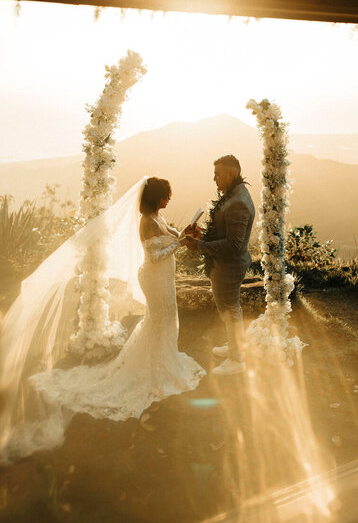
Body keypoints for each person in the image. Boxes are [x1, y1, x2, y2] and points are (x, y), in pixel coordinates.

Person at [0, 177, 205, 462]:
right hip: (155, 278)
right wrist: (181, 242)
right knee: (159, 321)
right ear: (156, 198)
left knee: (168, 320)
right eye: (165, 196)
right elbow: (155, 256)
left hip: (165, 279)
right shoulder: (146, 222)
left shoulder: (158, 217)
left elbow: (172, 237)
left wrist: (185, 233)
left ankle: (165, 359)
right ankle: (155, 367)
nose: (168, 200)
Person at [185, 155, 255, 376]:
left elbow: (233, 244)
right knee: (229, 309)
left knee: (230, 310)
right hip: (225, 265)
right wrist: (202, 234)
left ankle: (237, 359)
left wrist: (200, 246)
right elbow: (224, 232)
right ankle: (235, 346)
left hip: (229, 267)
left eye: (217, 174)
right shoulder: (233, 195)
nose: (214, 178)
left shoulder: (238, 203)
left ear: (231, 174)